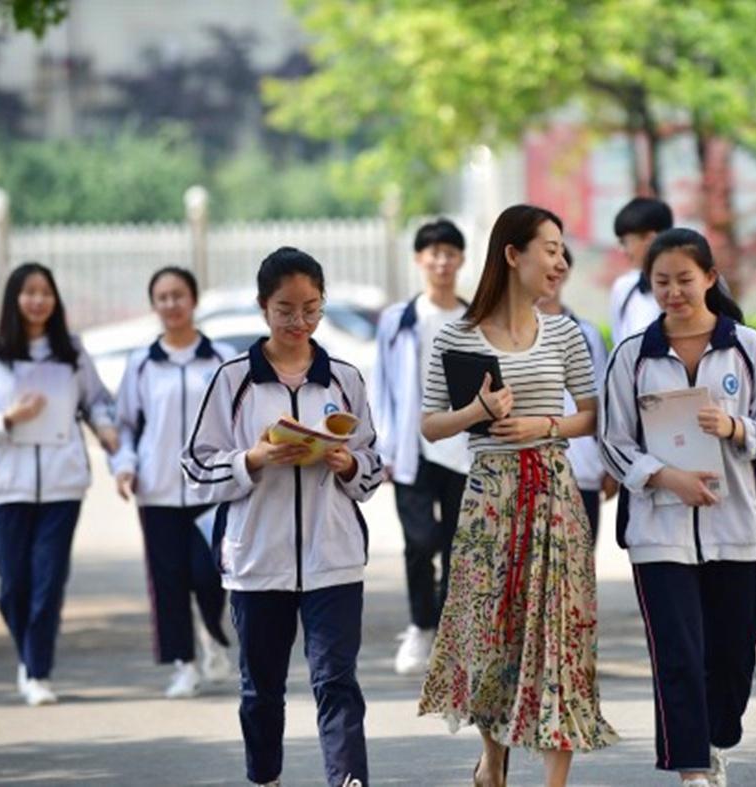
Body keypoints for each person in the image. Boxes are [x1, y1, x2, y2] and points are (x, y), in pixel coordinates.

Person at [418, 205, 617, 787]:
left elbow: (591, 414)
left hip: (555, 496)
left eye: (561, 251)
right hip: (488, 501)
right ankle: (495, 760)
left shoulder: (566, 332)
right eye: (549, 249)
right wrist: (477, 412)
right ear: (512, 254)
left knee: (564, 635)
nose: (559, 262)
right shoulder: (455, 335)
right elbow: (431, 425)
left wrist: (542, 426)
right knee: (490, 635)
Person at [600, 228, 756, 787]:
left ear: (710, 278)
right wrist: (665, 477)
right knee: (679, 656)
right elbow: (614, 442)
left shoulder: (747, 348)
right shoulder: (634, 356)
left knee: (735, 654)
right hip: (658, 532)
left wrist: (735, 427)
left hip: (735, 527)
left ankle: (714, 738)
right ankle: (692, 768)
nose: (673, 292)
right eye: (661, 282)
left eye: (685, 279)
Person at [181, 247, 381, 787]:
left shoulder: (344, 379)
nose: (299, 322)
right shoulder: (232, 381)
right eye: (286, 310)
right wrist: (252, 458)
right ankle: (264, 777)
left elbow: (373, 466)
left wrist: (346, 462)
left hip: (333, 558)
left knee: (336, 680)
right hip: (256, 560)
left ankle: (347, 780)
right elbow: (196, 467)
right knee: (262, 689)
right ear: (262, 307)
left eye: (311, 308)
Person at [0, 261, 118, 706]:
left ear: (55, 299)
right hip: (8, 485)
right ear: (14, 299)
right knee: (12, 587)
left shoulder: (72, 351)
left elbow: (98, 402)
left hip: (63, 486)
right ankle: (28, 656)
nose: (38, 300)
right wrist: (9, 419)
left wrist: (105, 430)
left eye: (45, 292)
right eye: (28, 292)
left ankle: (37, 671)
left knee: (47, 582)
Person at [110, 266, 235, 699]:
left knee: (209, 574)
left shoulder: (220, 359)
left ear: (194, 300)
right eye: (162, 297)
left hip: (212, 491)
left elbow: (236, 421)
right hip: (158, 490)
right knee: (169, 580)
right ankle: (185, 664)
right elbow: (125, 424)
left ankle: (215, 637)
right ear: (154, 305)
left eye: (178, 295)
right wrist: (124, 465)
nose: (171, 304)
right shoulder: (142, 364)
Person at [373, 219, 471, 675]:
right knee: (420, 542)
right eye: (433, 253)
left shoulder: (475, 317)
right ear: (419, 260)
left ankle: (449, 635)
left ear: (461, 260)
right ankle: (420, 626)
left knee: (458, 544)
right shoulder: (398, 320)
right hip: (411, 448)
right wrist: (383, 446)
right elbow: (384, 384)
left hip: (462, 448)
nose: (442, 261)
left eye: (450, 253)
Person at [536, 245, 618, 542]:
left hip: (582, 470)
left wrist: (611, 466)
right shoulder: (506, 333)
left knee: (578, 574)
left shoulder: (587, 334)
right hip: (526, 476)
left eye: (559, 265)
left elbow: (604, 404)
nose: (552, 272)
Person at [609, 196, 673, 345]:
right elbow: (620, 345)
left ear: (650, 239)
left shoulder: (696, 284)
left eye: (625, 242)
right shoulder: (624, 287)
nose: (623, 251)